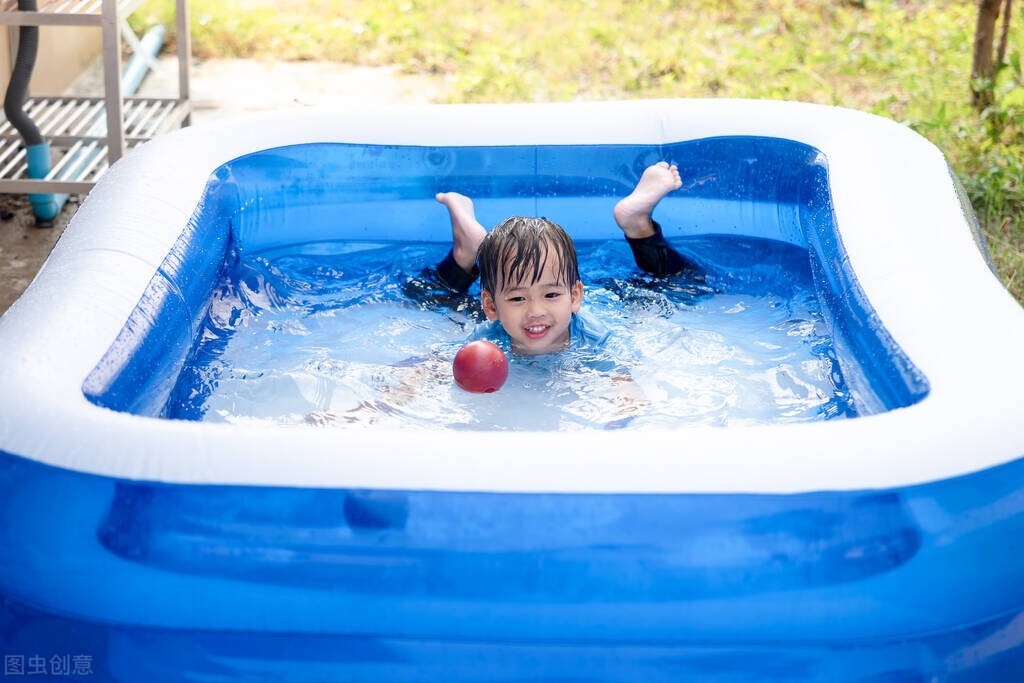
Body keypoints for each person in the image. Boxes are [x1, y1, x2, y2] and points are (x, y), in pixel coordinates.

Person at [429, 161, 697, 356]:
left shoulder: (595, 337)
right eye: (518, 298)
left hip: (612, 300)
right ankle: (469, 253)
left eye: (551, 295)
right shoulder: (486, 336)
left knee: (684, 288)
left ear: (575, 296)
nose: (535, 311)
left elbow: (624, 382)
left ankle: (639, 227)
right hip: (535, 289)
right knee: (430, 301)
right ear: (490, 306)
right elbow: (435, 362)